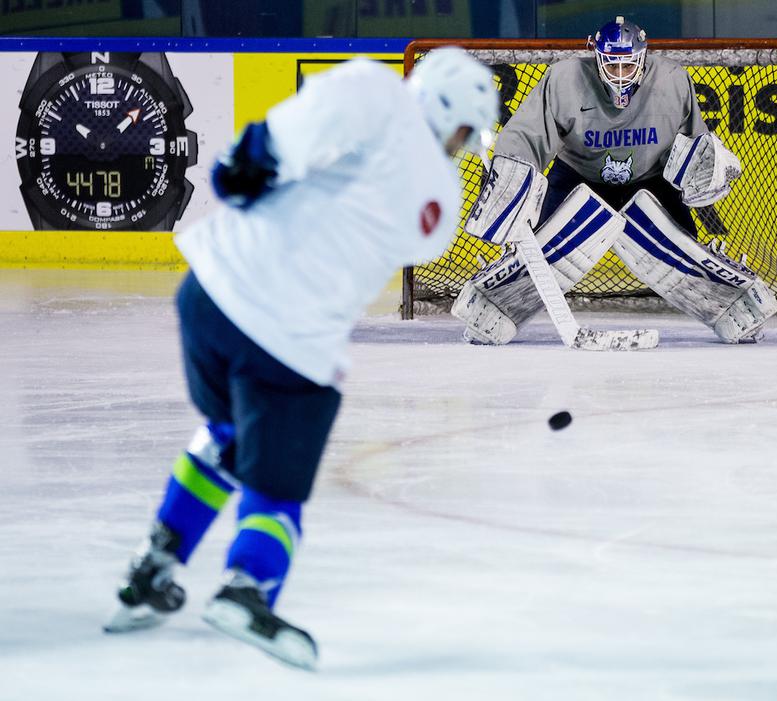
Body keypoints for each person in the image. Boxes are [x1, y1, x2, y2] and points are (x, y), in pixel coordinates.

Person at [103, 48, 499, 670]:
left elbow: (292, 133)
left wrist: (250, 159)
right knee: (274, 483)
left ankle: (153, 567)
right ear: (447, 110)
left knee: (227, 437)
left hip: (208, 294)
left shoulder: (373, 88)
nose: (460, 145)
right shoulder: (442, 206)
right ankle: (248, 587)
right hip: (288, 342)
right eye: (463, 130)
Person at [452, 16, 777, 346]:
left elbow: (694, 148)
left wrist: (707, 169)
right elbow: (527, 134)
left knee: (685, 248)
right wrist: (513, 172)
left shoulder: (673, 82)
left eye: (630, 65)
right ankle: (493, 302)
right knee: (543, 247)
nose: (621, 74)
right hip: (578, 175)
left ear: (643, 59)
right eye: (613, 65)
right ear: (597, 56)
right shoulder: (565, 79)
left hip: (650, 180)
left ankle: (728, 302)